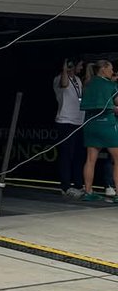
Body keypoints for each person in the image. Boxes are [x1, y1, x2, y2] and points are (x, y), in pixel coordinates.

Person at [79, 59, 118, 202]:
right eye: (111, 68)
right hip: (107, 125)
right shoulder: (110, 85)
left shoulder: (88, 83)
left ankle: (88, 192)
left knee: (90, 160)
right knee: (117, 159)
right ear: (103, 69)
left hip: (90, 125)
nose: (112, 71)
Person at [53, 59, 86, 197]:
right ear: (72, 65)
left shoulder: (78, 79)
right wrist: (65, 68)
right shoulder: (59, 79)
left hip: (79, 122)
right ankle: (65, 186)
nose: (81, 67)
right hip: (65, 122)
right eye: (80, 65)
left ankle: (78, 185)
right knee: (67, 155)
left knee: (79, 155)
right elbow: (65, 84)